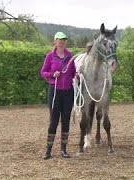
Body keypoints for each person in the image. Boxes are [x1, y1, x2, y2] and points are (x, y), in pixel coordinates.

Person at [40, 31, 76, 160]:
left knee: (65, 121)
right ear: (55, 41)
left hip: (68, 92)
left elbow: (73, 73)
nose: (62, 41)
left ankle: (63, 150)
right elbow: (43, 72)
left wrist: (77, 75)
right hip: (54, 91)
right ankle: (48, 150)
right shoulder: (50, 56)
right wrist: (51, 74)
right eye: (59, 39)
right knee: (54, 120)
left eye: (64, 39)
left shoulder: (70, 56)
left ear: (66, 42)